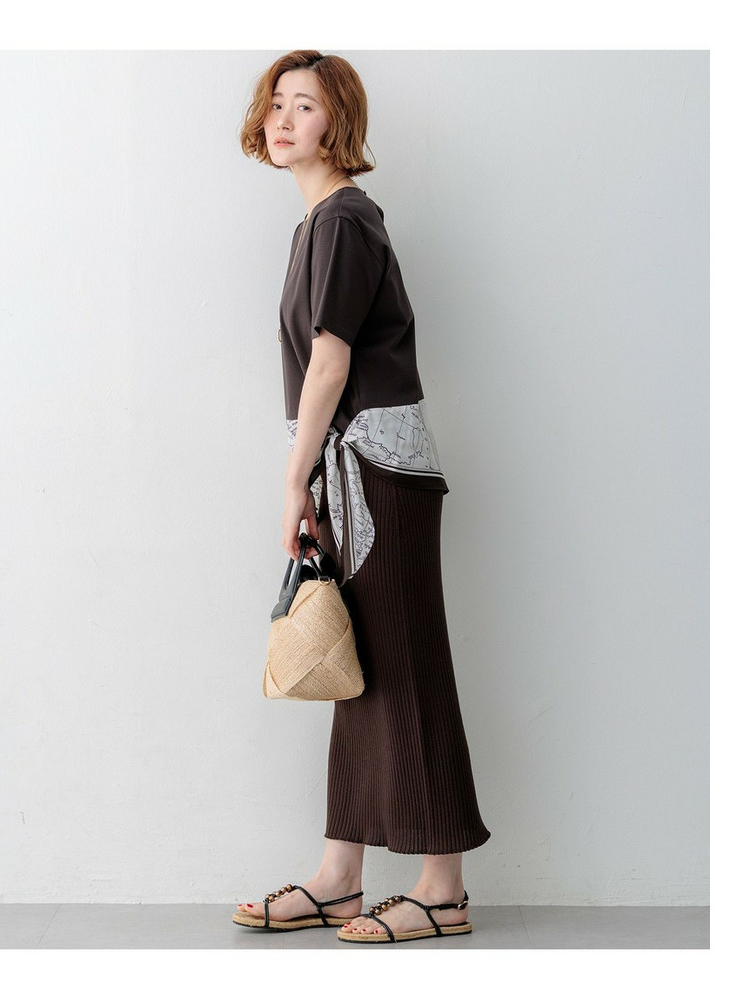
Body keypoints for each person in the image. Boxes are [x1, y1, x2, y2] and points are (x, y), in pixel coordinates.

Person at [233, 49, 490, 944]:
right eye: (276, 102)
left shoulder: (344, 220)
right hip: (351, 471)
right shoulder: (318, 224)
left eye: (305, 105)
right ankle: (340, 878)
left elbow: (331, 363)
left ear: (338, 121)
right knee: (354, 665)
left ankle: (443, 890)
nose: (283, 118)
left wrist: (293, 479)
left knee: (407, 669)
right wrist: (311, 475)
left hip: (377, 471)